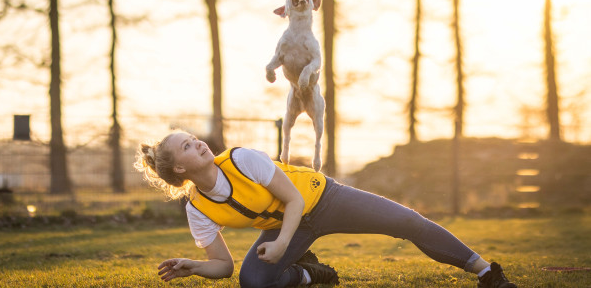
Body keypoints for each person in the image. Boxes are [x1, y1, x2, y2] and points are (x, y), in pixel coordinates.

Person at [134, 131, 517, 288]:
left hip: (324, 199)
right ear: (180, 170)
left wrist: (282, 242)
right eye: (186, 147)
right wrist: (194, 266)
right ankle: (309, 274)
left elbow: (295, 200)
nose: (198, 143)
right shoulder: (198, 209)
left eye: (192, 138)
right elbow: (224, 267)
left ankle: (486, 272)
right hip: (291, 227)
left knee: (407, 221)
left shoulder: (241, 158)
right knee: (252, 281)